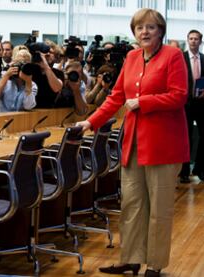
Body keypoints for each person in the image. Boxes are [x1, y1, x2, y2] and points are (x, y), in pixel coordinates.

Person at [77, 8, 188, 277]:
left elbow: (179, 96)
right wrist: (89, 122)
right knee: (132, 205)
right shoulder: (131, 56)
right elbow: (116, 97)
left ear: (160, 30)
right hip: (134, 143)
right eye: (140, 28)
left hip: (164, 144)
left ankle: (155, 264)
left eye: (151, 27)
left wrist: (143, 102)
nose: (145, 32)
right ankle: (132, 259)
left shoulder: (173, 55)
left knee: (158, 209)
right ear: (134, 32)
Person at [179, 30, 204, 182]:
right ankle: (184, 171)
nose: (193, 41)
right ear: (187, 40)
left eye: (196, 39)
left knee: (203, 135)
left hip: (201, 102)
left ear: (200, 41)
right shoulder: (180, 57)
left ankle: (199, 169)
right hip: (185, 103)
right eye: (191, 39)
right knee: (185, 136)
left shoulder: (203, 58)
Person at [0, 49, 37, 114]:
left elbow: (28, 106)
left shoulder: (32, 85)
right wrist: (7, 75)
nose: (22, 67)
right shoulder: (6, 78)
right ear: (14, 63)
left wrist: (28, 82)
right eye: (19, 63)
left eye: (25, 64)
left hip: (16, 119)